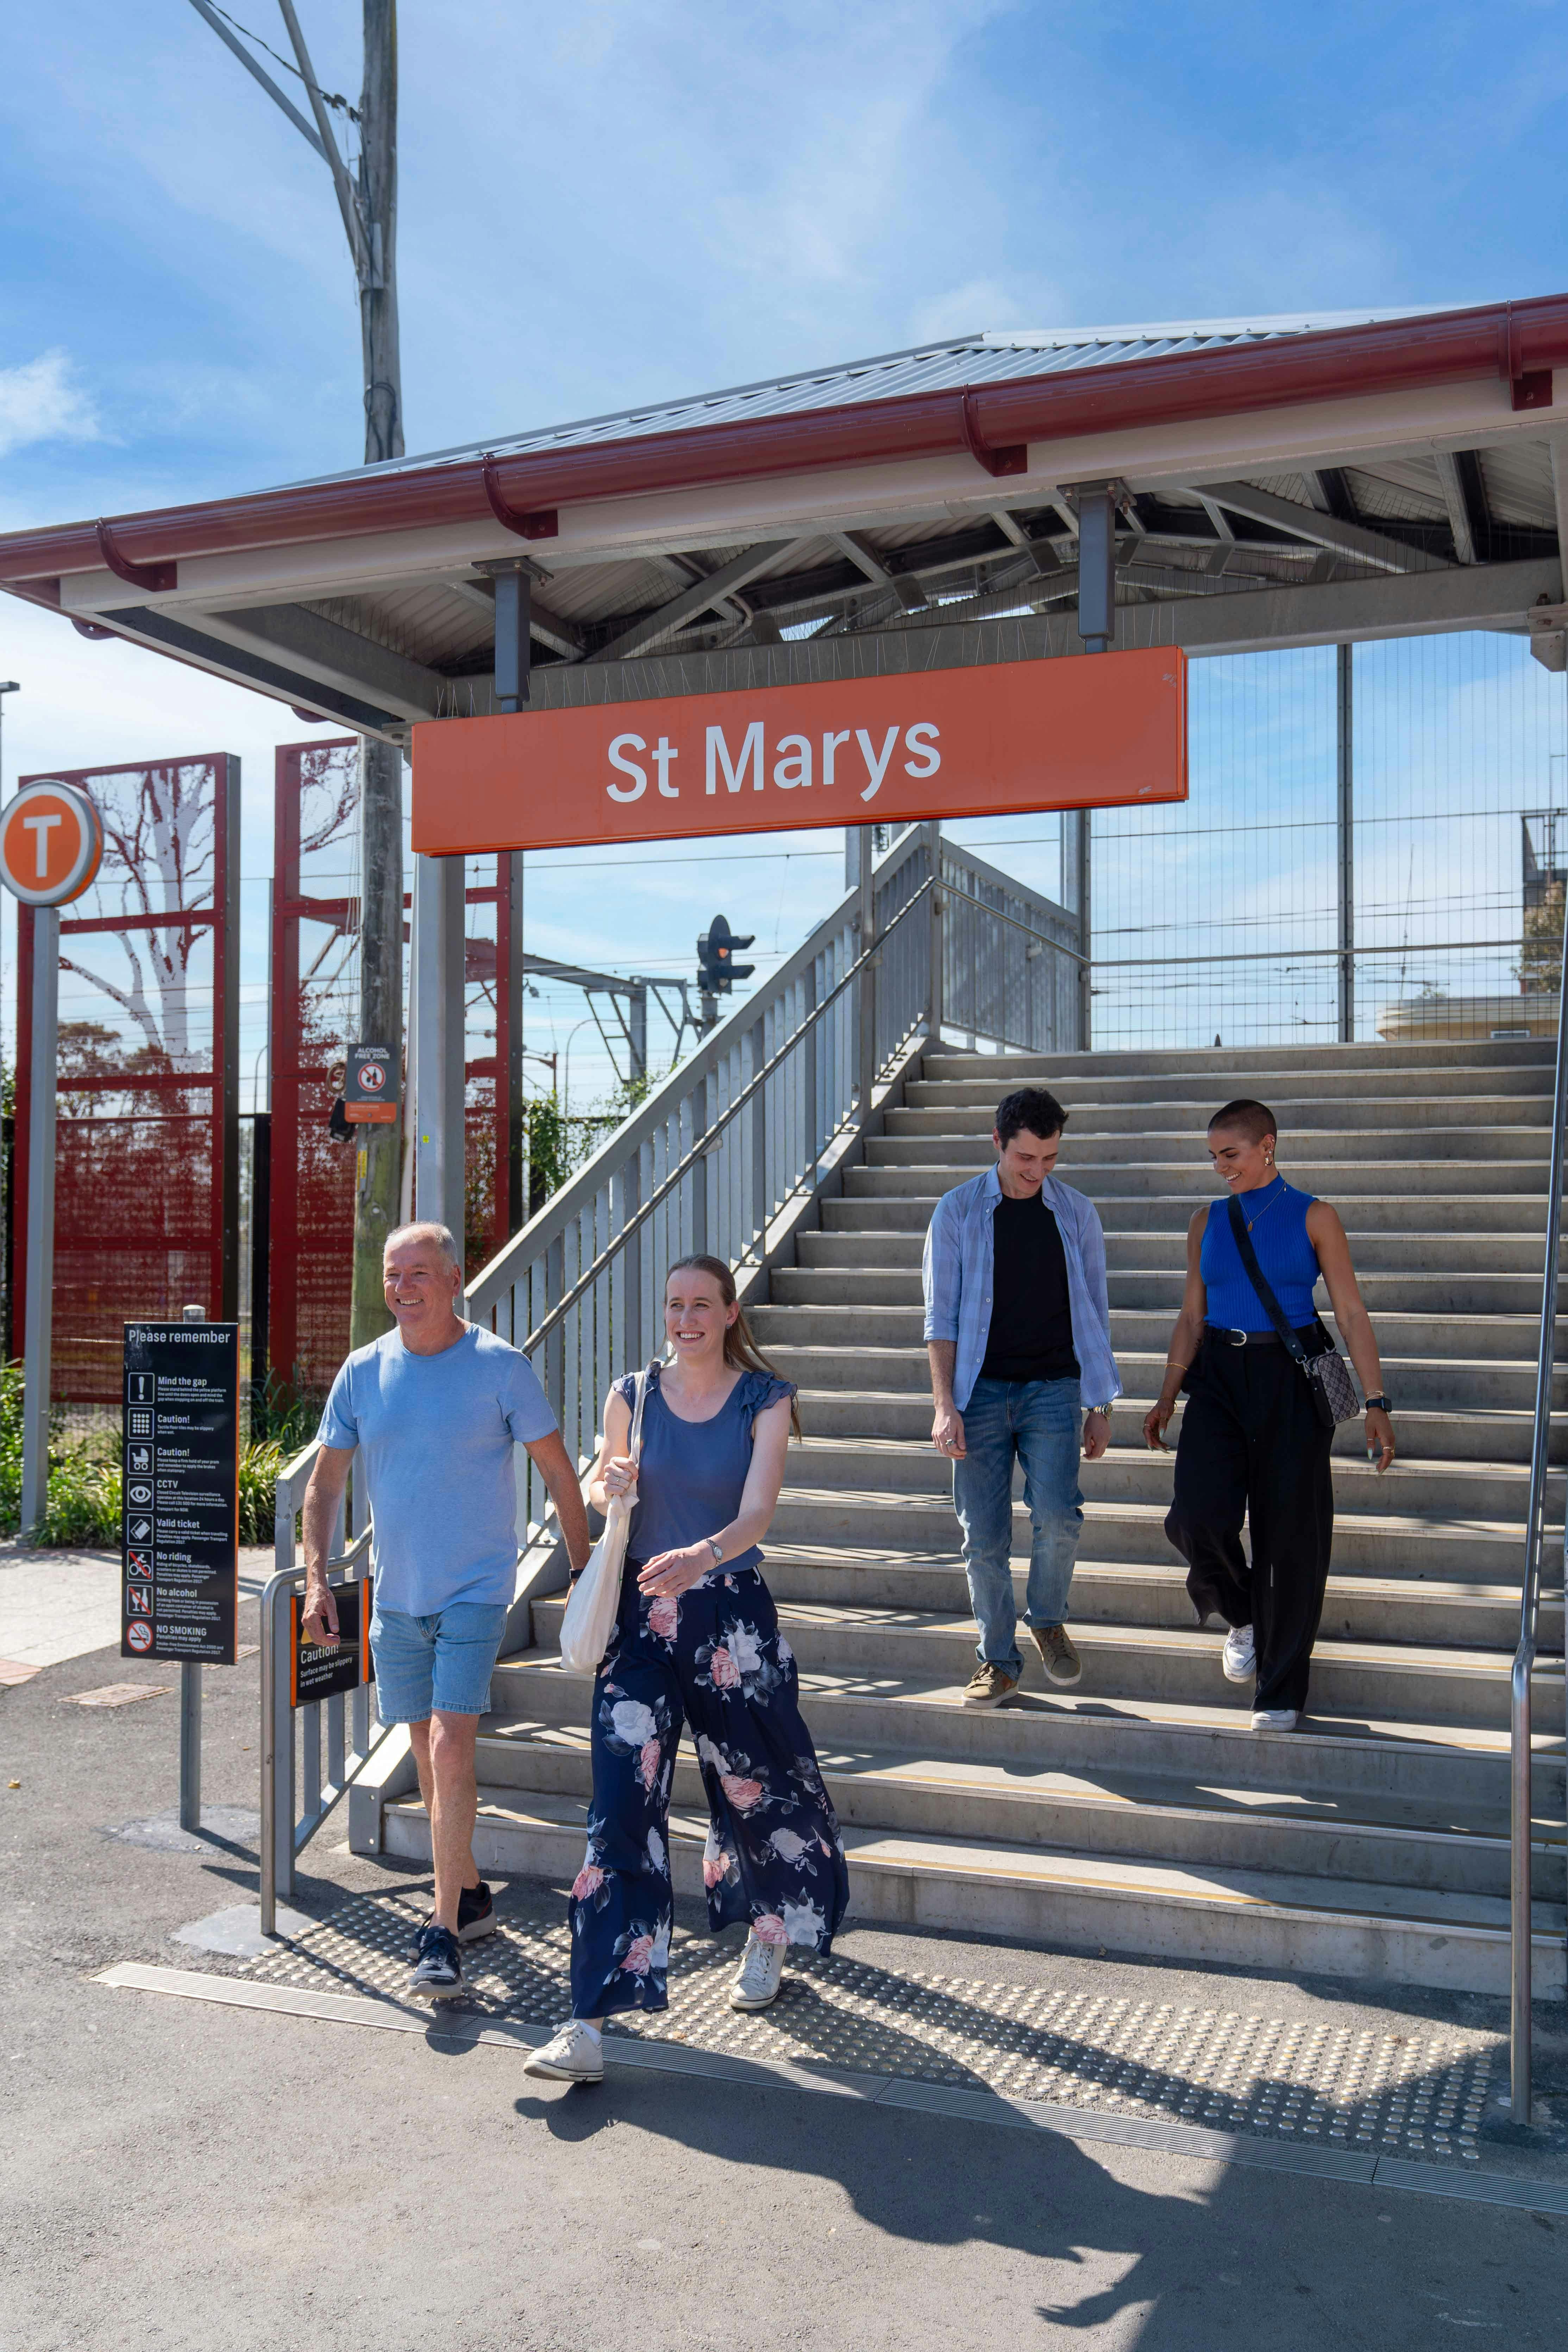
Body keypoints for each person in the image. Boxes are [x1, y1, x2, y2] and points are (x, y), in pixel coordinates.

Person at [525, 1253, 849, 2086]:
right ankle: (587, 2019)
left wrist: (699, 1556)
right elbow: (607, 1485)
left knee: (755, 1782)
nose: (686, 1318)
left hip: (730, 1618)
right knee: (619, 1807)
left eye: (701, 1304)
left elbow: (757, 1511)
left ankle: (769, 1928)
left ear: (731, 1312)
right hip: (640, 1623)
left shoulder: (764, 1398)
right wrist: (610, 1486)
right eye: (674, 1305)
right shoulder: (631, 1393)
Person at [302, 1221, 592, 1997]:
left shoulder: (499, 1366)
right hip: (398, 1594)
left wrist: (585, 1563)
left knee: (450, 1745)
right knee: (426, 1744)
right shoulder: (363, 1372)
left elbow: (560, 1472)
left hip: (476, 1587)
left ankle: (441, 1931)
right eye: (394, 1273)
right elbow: (324, 1486)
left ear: (454, 1278)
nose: (402, 1286)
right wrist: (317, 1578)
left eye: (419, 1272)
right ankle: (466, 1889)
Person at [1142, 1098, 1397, 1731]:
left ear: (1267, 1146)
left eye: (1229, 1154)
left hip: (1290, 1377)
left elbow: (1351, 1313)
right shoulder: (1206, 1222)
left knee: (1291, 1535)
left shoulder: (1314, 1216)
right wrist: (1168, 1394)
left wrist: (1375, 1400)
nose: (1220, 1167)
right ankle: (1245, 1613)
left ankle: (1278, 1690)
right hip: (1219, 1379)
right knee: (1195, 1515)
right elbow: (1190, 1316)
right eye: (1212, 1157)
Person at [922, 1085, 1121, 1709]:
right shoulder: (955, 1212)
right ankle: (997, 1659)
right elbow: (940, 1319)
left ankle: (1047, 1616)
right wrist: (943, 1406)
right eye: (1025, 1159)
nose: (1037, 1171)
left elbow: (1094, 1312)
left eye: (1050, 1158)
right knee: (983, 1537)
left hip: (1054, 1388)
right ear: (998, 1144)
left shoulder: (1076, 1213)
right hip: (977, 1393)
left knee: (1059, 1515)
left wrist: (1100, 1403)